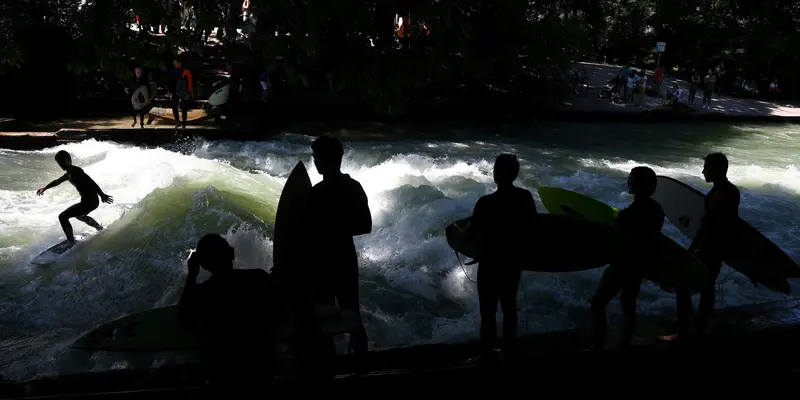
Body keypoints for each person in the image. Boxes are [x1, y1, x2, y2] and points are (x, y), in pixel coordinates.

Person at [178, 233, 277, 392]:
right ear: (231, 253)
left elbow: (183, 319)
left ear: (203, 265)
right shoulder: (258, 278)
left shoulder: (202, 294)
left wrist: (192, 275)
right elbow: (280, 313)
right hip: (262, 370)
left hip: (222, 377)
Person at [661, 153, 740, 342]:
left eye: (707, 167)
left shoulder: (722, 193)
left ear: (719, 170)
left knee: (683, 286)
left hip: (710, 247)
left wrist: (696, 247)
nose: (703, 171)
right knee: (706, 287)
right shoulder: (726, 190)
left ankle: (683, 332)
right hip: (716, 246)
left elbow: (712, 225)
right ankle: (700, 328)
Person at [467, 154, 537, 358]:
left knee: (488, 313)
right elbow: (533, 228)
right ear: (515, 174)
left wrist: (455, 234)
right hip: (512, 263)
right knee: (509, 308)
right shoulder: (525, 198)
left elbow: (471, 233)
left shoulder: (485, 203)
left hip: (489, 264)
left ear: (495, 174)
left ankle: (487, 351)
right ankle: (509, 348)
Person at [307, 136, 372, 356]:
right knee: (344, 313)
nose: (314, 161)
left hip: (334, 260)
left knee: (340, 314)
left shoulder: (342, 189)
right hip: (334, 259)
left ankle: (345, 365)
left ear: (326, 159)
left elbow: (365, 225)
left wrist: (330, 228)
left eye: (316, 157)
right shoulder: (324, 191)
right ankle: (352, 364)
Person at [591, 167, 664, 350]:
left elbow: (624, 239)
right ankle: (624, 344)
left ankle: (599, 344)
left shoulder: (630, 213)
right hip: (640, 265)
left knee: (598, 303)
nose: (627, 182)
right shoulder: (656, 209)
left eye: (630, 179)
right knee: (628, 305)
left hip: (623, 263)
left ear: (637, 185)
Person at [36, 151, 113, 246]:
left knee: (63, 217)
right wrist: (45, 188)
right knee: (80, 215)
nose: (61, 164)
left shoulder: (77, 171)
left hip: (91, 201)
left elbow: (91, 182)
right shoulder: (68, 174)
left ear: (69, 160)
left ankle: (71, 242)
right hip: (88, 202)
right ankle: (99, 228)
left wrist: (102, 195)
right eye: (59, 162)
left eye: (62, 161)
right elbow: (57, 181)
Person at [168, 57, 193, 129]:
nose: (175, 65)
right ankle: (177, 122)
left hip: (184, 91)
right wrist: (169, 90)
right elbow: (170, 82)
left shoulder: (186, 71)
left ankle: (184, 124)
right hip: (175, 91)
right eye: (174, 63)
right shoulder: (173, 71)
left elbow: (190, 82)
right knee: (174, 107)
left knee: (183, 107)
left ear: (180, 63)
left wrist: (188, 92)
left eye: (176, 63)